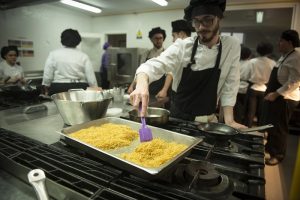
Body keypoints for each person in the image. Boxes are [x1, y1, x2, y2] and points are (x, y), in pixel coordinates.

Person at [130, 0, 246, 129]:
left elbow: (230, 84)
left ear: (219, 19)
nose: (201, 27)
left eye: (208, 20)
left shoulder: (231, 46)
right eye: (196, 22)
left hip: (207, 122)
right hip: (178, 119)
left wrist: (230, 121)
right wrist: (141, 84)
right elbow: (153, 65)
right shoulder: (183, 46)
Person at [261, 30, 300, 166]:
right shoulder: (285, 56)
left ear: (289, 42)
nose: (279, 43)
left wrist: (276, 93)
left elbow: (295, 81)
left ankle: (278, 155)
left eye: (281, 41)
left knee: (279, 127)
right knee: (273, 124)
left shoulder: (296, 56)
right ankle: (270, 148)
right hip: (277, 95)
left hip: (286, 98)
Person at [42, 29, 98, 96]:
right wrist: (96, 91)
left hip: (58, 88)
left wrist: (46, 86)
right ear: (78, 40)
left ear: (62, 40)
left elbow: (47, 75)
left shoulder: (53, 54)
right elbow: (91, 78)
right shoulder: (83, 56)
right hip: (79, 88)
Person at [127, 27, 168, 97]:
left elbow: (169, 74)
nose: (158, 40)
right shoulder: (146, 54)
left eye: (160, 38)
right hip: (147, 87)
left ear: (163, 39)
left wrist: (164, 90)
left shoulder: (167, 53)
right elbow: (139, 71)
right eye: (156, 38)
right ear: (151, 39)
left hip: (161, 88)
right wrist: (132, 85)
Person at [244, 42, 276, 127]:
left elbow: (247, 75)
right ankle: (260, 130)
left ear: (258, 50)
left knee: (250, 111)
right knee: (261, 112)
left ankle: (247, 130)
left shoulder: (252, 61)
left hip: (253, 87)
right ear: (269, 51)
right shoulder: (272, 63)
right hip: (265, 88)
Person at [234, 45, 252, 123]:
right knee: (246, 109)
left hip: (236, 87)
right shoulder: (251, 64)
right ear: (249, 55)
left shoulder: (236, 63)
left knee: (237, 108)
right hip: (246, 88)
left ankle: (236, 122)